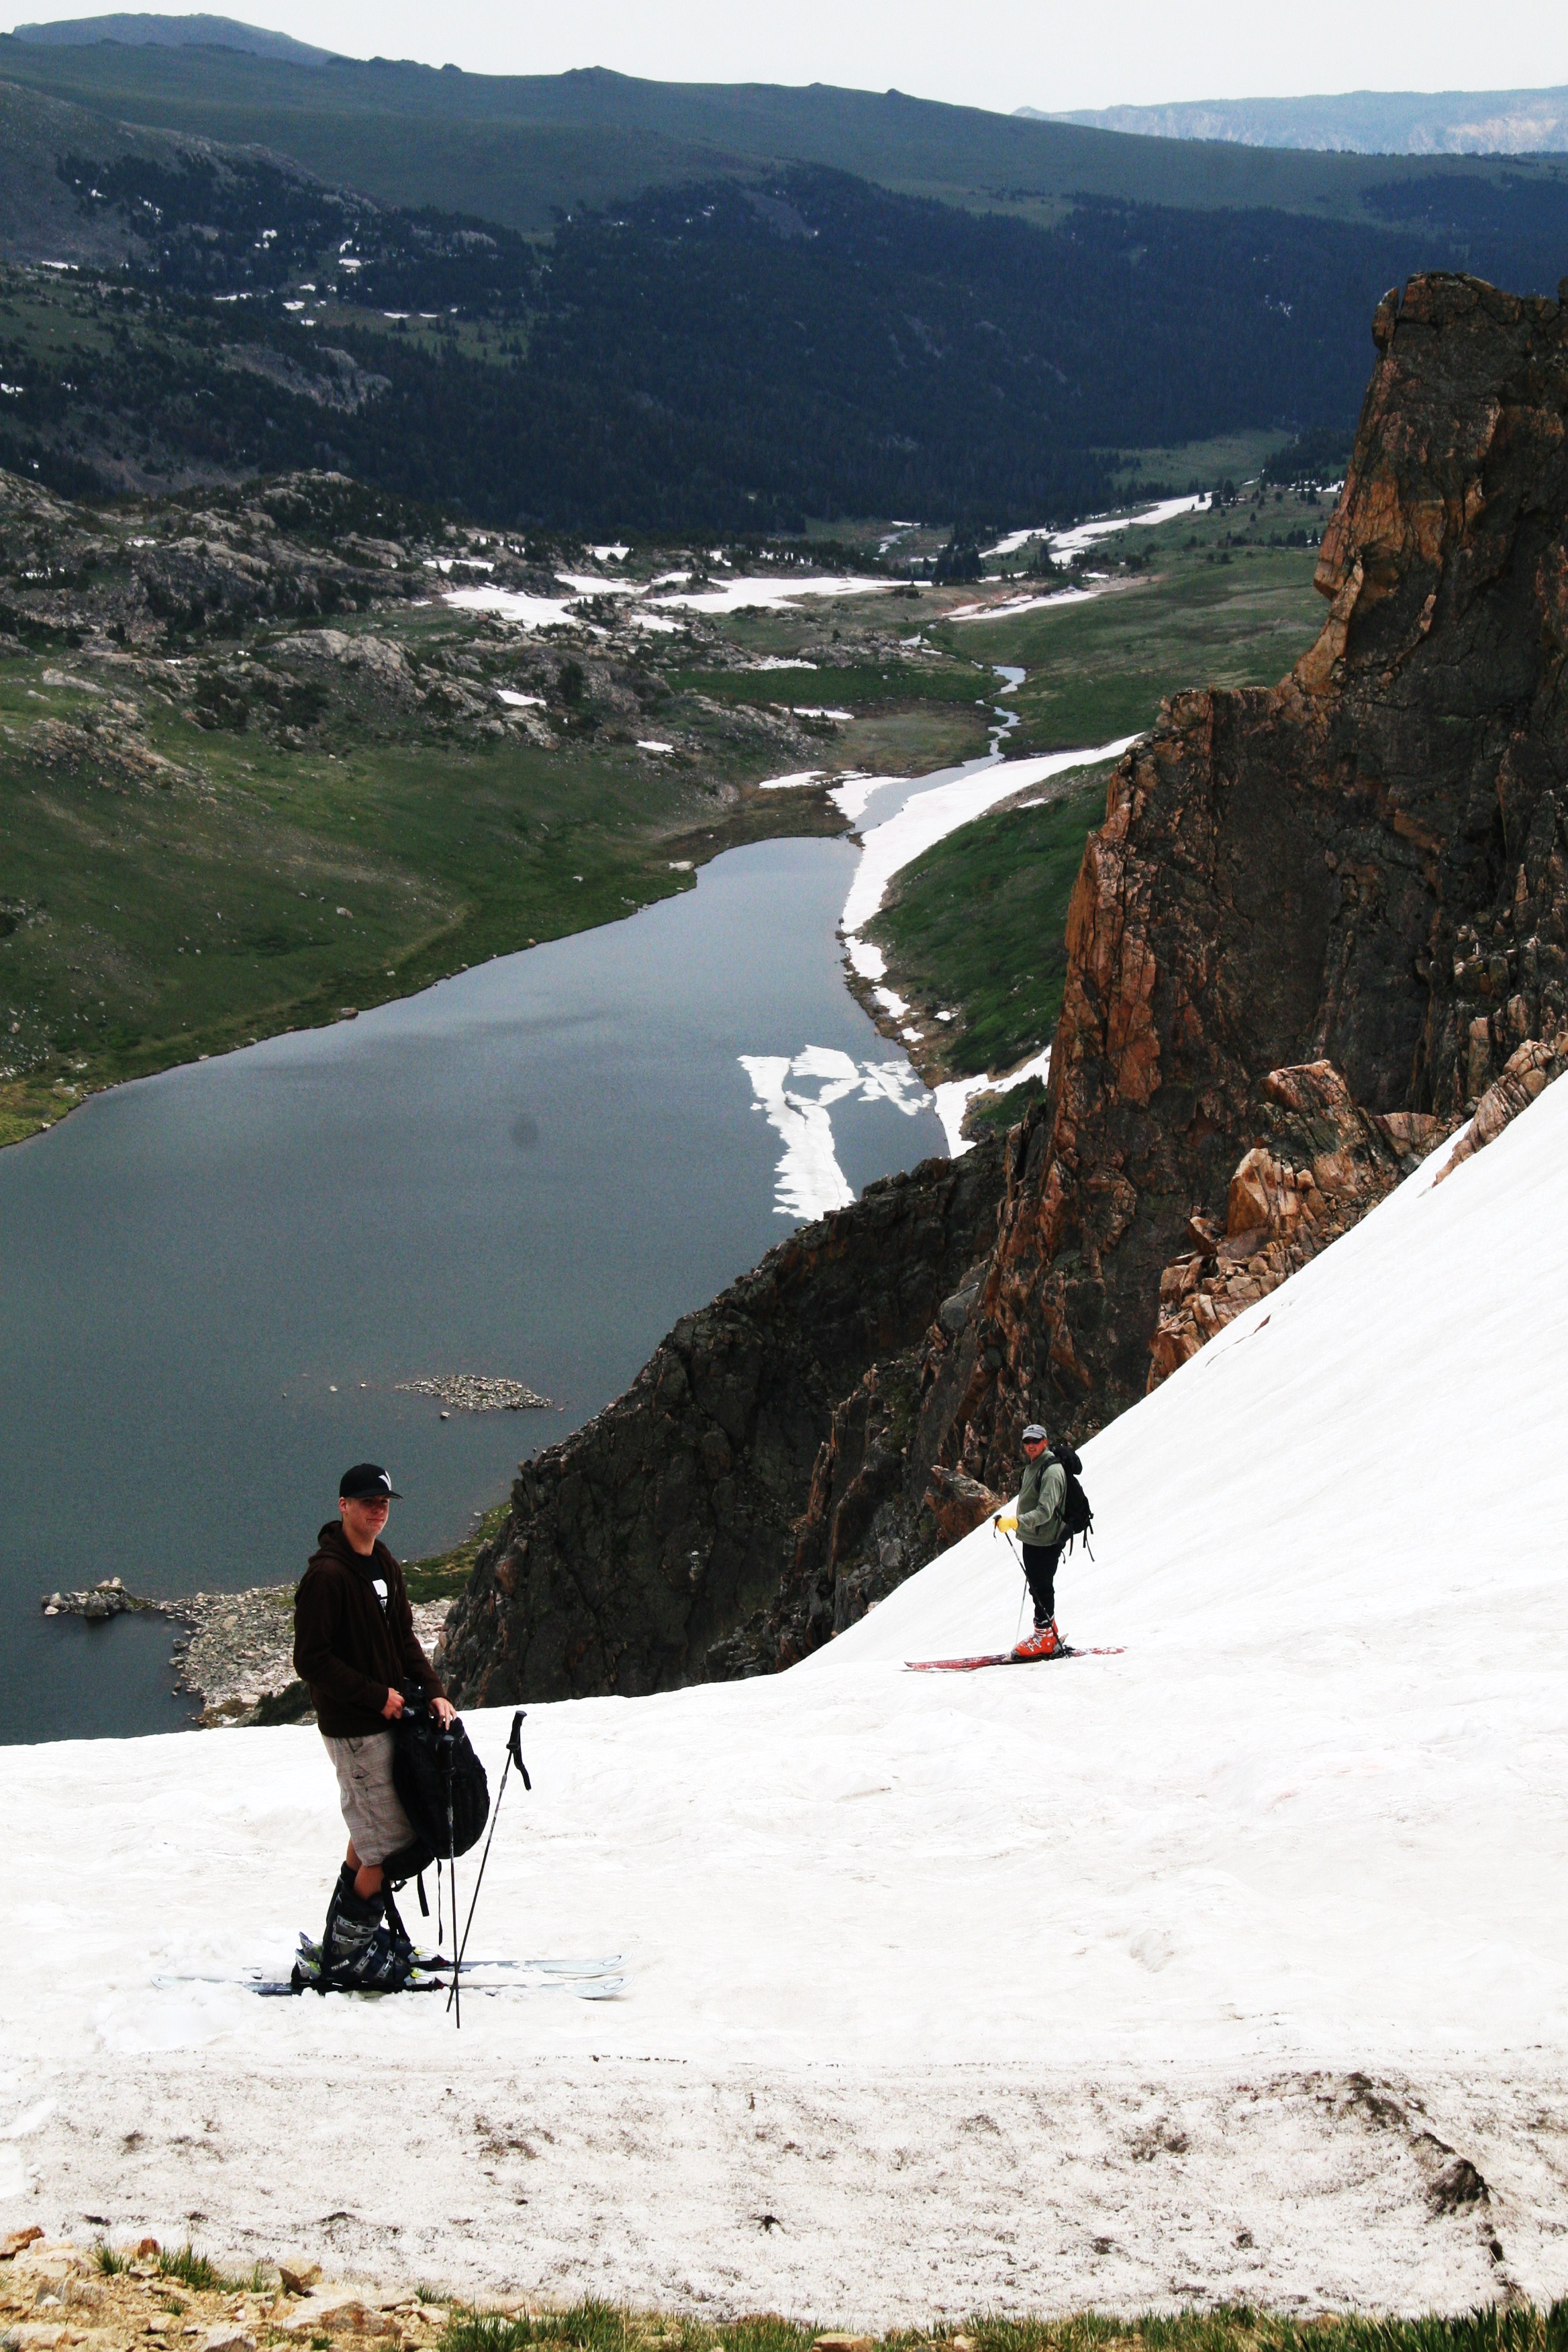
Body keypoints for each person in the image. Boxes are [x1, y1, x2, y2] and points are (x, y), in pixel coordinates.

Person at [293, 1462, 455, 1988]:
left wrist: (432, 1691)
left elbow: (403, 1636)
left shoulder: (381, 1561)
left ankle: (342, 1942)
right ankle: (350, 1957)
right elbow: (310, 1660)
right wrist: (373, 1695)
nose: (377, 1510)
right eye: (367, 1502)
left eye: (383, 1502)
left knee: (369, 1837)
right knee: (392, 1842)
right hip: (354, 1729)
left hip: (385, 1721)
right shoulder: (327, 1576)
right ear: (343, 1507)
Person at [995, 1422, 1067, 1659]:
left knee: (1041, 1586)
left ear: (1045, 1442)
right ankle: (1048, 1630)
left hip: (1046, 1540)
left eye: (1035, 1441)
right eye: (1027, 1442)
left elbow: (1045, 1512)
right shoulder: (1034, 1467)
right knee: (1039, 1585)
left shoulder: (1051, 1471)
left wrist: (1016, 1522)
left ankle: (1044, 1637)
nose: (1030, 1446)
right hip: (1034, 1538)